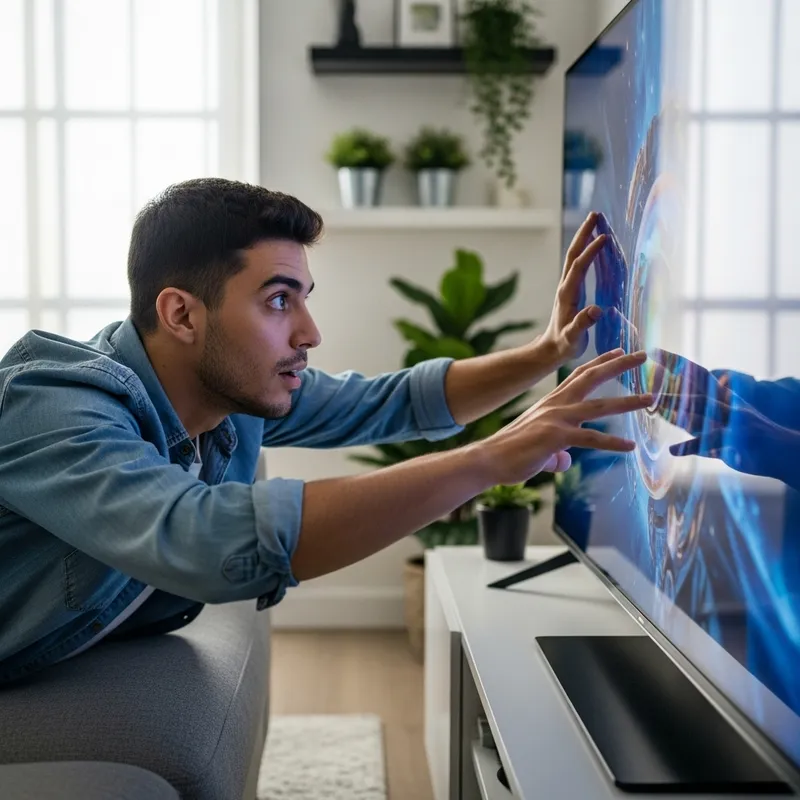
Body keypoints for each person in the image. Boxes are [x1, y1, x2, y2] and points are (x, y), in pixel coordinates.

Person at [0, 179, 650, 684]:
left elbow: (390, 401)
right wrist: (487, 461)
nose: (309, 332)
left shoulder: (229, 390)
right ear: (180, 314)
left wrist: (547, 350)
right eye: (280, 300)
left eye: (303, 298)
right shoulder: (54, 401)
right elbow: (200, 536)